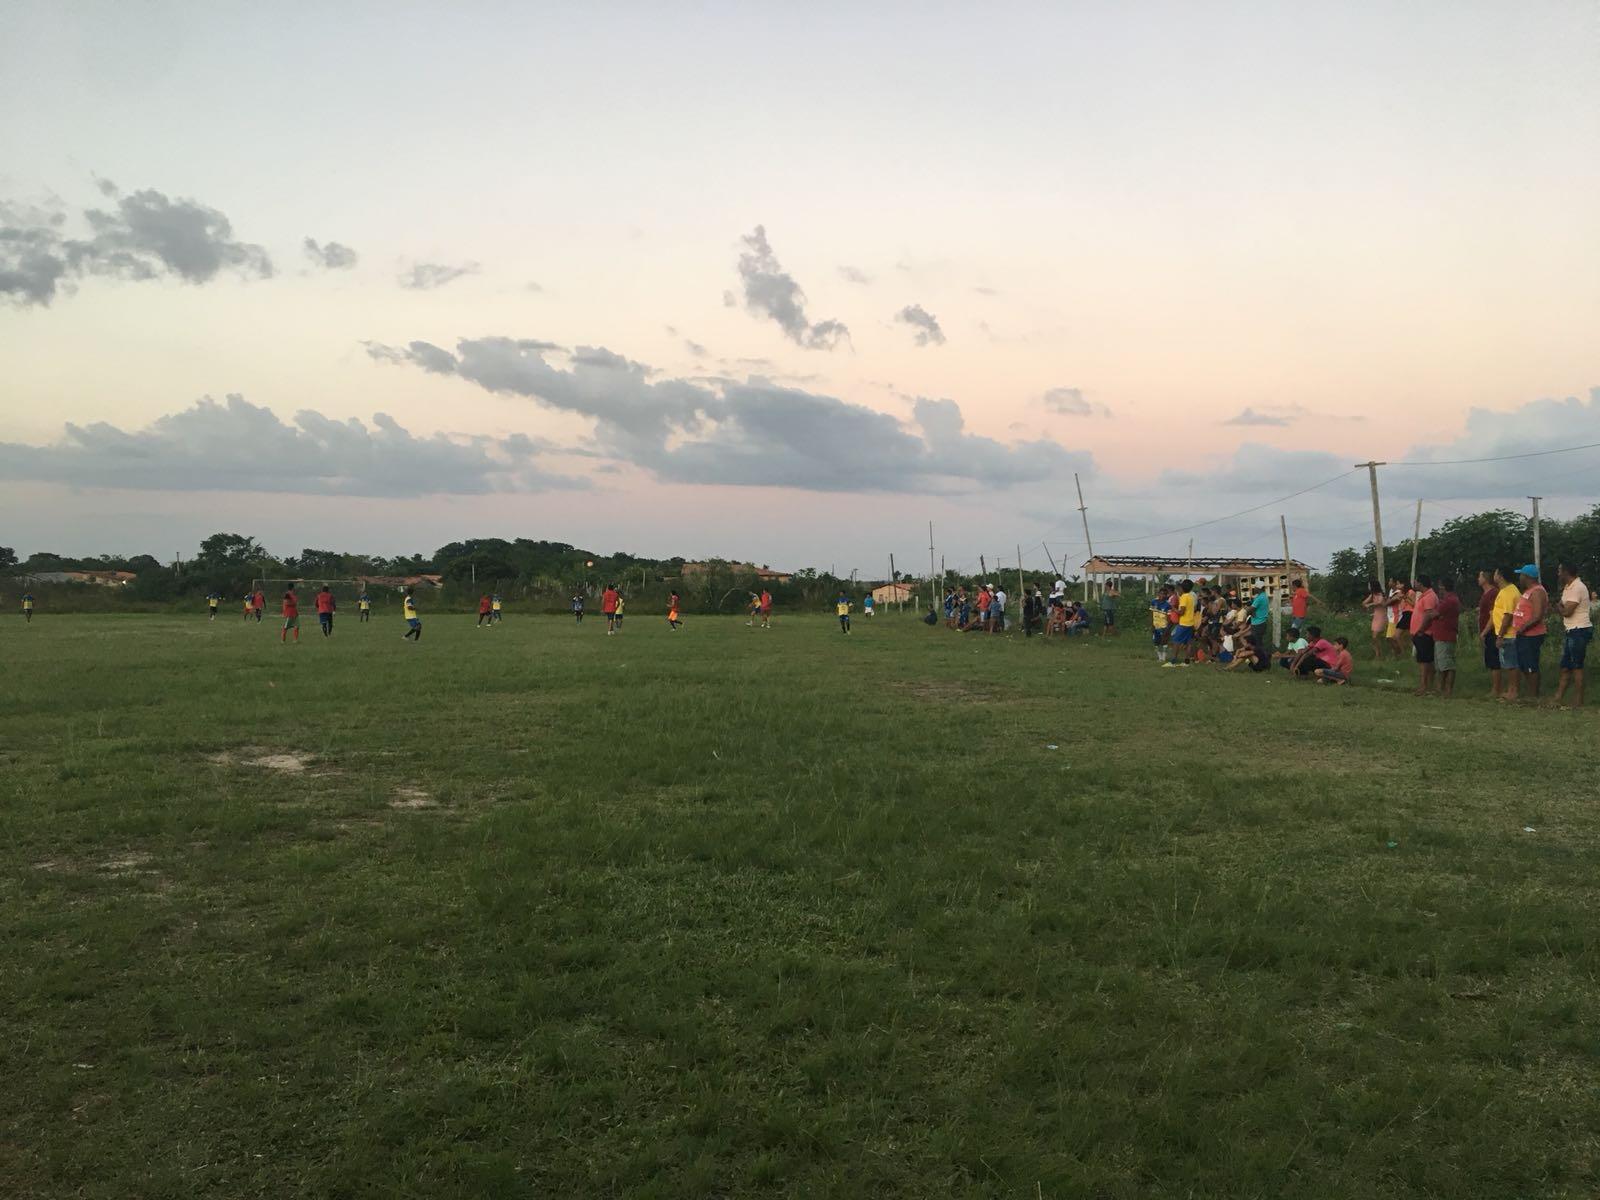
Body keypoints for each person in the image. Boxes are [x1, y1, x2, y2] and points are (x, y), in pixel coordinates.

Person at [1506, 564, 1548, 702]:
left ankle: (1533, 695)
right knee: (1525, 664)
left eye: (1521, 575)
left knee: (1530, 665)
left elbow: (1537, 615)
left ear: (1528, 577)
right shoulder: (1529, 590)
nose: (1520, 577)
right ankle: (1531, 693)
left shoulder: (1537, 592)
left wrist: (1523, 628)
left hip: (1531, 634)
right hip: (1524, 634)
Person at [1552, 562, 1591, 709]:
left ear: (1566, 572)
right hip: (1571, 630)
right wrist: (1561, 608)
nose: (1558, 574)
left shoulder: (1577, 587)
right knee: (1565, 666)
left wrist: (1560, 608)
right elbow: (1562, 607)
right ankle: (1558, 696)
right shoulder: (1568, 588)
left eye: (1559, 571)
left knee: (1577, 666)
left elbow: (1567, 611)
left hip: (1579, 629)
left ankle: (1578, 701)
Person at [1490, 567, 1521, 700]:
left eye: (1495, 573)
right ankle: (1510, 690)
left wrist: (1500, 635)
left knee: (1511, 664)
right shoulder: (1504, 591)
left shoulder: (1509, 592)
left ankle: (1513, 691)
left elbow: (1508, 616)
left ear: (1500, 576)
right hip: (1505, 634)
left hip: (1509, 634)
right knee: (1508, 664)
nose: (1494, 575)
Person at [1429, 577, 1461, 699]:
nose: (1439, 589)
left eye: (1440, 586)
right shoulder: (1449, 600)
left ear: (1444, 587)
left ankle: (1447, 690)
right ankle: (1440, 689)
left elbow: (1434, 614)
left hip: (1445, 636)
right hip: (1442, 636)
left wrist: (1434, 614)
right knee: (1441, 665)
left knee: (1447, 665)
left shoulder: (1449, 601)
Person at [1409, 574, 1439, 696]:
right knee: (1423, 660)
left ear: (1421, 583)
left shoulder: (1430, 597)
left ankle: (1424, 686)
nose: (1414, 584)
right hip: (1420, 633)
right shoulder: (1423, 596)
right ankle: (1427, 686)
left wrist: (1421, 630)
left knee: (1424, 661)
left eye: (1416, 582)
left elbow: (1428, 615)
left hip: (1425, 634)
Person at [1476, 571, 1501, 697]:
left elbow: (1493, 615)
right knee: (1490, 660)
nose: (1478, 579)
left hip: (1491, 631)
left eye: (1480, 576)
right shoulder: (1485, 594)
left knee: (1494, 660)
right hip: (1486, 630)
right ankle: (1494, 687)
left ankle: (1496, 689)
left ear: (1485, 578)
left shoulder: (1492, 593)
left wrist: (1484, 632)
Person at [1163, 579, 1198, 667]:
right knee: (1188, 642)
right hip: (1190, 622)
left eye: (1180, 588)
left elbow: (1181, 612)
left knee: (1176, 641)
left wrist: (1172, 608)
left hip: (1184, 623)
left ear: (1182, 588)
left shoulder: (1184, 597)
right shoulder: (1190, 596)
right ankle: (1186, 662)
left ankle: (1173, 662)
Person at [1361, 579, 1388, 660]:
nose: (1368, 587)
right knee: (1374, 637)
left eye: (1369, 585)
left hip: (1382, 615)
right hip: (1376, 616)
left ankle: (1379, 653)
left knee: (1375, 636)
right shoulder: (1373, 595)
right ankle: (1378, 654)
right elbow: (1364, 603)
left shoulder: (1381, 594)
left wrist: (1370, 604)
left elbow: (1380, 602)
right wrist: (1366, 603)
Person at [1248, 584, 1272, 668]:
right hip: (1260, 622)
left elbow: (1250, 609)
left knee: (1257, 644)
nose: (1254, 589)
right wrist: (1251, 611)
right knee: (1259, 643)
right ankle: (1263, 660)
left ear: (1258, 588)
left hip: (1258, 623)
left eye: (1255, 587)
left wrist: (1250, 610)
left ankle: (1263, 662)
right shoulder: (1263, 596)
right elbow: (1252, 610)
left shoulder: (1259, 598)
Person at [1149, 586, 1172, 663]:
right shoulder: (1153, 602)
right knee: (1156, 642)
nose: (1162, 595)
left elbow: (1169, 617)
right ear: (1158, 594)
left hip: (1163, 626)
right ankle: (1159, 657)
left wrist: (1167, 628)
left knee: (1164, 641)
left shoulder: (1168, 605)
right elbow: (1151, 613)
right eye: (1161, 593)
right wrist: (1151, 625)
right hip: (1155, 625)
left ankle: (1164, 657)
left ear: (1166, 595)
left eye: (1164, 594)